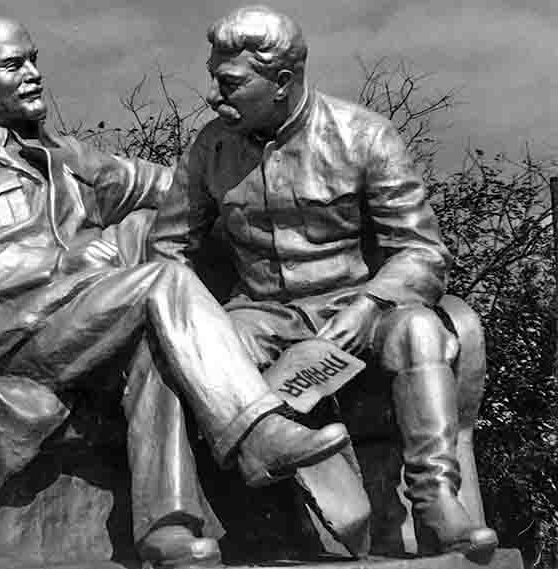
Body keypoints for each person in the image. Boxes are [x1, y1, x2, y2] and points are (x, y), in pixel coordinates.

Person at [0, 16, 350, 568]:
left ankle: (168, 528)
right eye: (14, 65)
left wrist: (267, 178)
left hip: (79, 329)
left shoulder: (69, 160)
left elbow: (178, 185)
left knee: (163, 340)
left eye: (33, 59)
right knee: (161, 281)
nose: (34, 75)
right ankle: (256, 433)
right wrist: (63, 259)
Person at [149, 5, 498, 558]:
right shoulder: (209, 148)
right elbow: (169, 247)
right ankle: (208, 529)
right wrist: (200, 314)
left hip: (360, 307)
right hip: (263, 314)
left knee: (420, 333)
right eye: (215, 79)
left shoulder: (364, 136)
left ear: (282, 82)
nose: (216, 96)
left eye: (231, 83)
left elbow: (422, 250)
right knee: (201, 352)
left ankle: (435, 499)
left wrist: (370, 305)